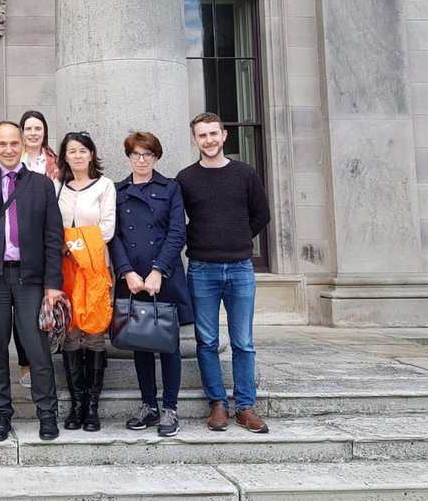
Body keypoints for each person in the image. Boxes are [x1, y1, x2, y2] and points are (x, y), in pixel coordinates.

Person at [0, 121, 64, 442]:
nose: (8, 149)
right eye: (2, 144)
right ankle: (1, 415)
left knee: (37, 351)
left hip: (30, 279)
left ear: (23, 145)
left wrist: (53, 283)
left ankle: (47, 414)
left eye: (13, 143)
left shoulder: (41, 185)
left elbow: (53, 236)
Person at [177, 112, 272, 433]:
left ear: (224, 135)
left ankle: (245, 406)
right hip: (202, 269)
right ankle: (217, 404)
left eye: (213, 134)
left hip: (240, 267)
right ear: (194, 139)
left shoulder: (245, 174)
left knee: (243, 341)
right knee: (206, 340)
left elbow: (262, 214)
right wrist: (201, 240)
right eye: (202, 135)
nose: (209, 140)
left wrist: (240, 238)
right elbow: (179, 224)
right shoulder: (186, 178)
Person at [109, 130, 192, 438]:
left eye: (147, 155)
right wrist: (127, 271)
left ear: (156, 157)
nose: (141, 160)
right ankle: (148, 405)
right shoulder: (117, 191)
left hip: (164, 277)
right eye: (135, 154)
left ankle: (170, 408)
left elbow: (176, 233)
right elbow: (113, 235)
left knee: (168, 344)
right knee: (139, 343)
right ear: (129, 157)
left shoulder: (170, 188)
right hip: (131, 279)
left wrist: (158, 270)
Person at [53, 130, 116, 432]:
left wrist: (73, 243)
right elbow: (52, 227)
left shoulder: (105, 186)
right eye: (72, 151)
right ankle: (76, 405)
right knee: (71, 332)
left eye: (83, 150)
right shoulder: (57, 188)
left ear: (91, 154)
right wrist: (63, 245)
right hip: (65, 270)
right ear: (64, 157)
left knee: (94, 332)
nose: (77, 156)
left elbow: (106, 228)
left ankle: (92, 406)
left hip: (94, 269)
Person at [13, 109, 59, 386]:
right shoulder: (11, 162)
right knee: (21, 306)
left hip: (46, 237)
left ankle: (49, 357)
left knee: (47, 301)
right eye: (28, 128)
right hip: (17, 240)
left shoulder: (56, 164)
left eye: (37, 129)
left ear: (44, 132)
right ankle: (26, 363)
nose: (32, 133)